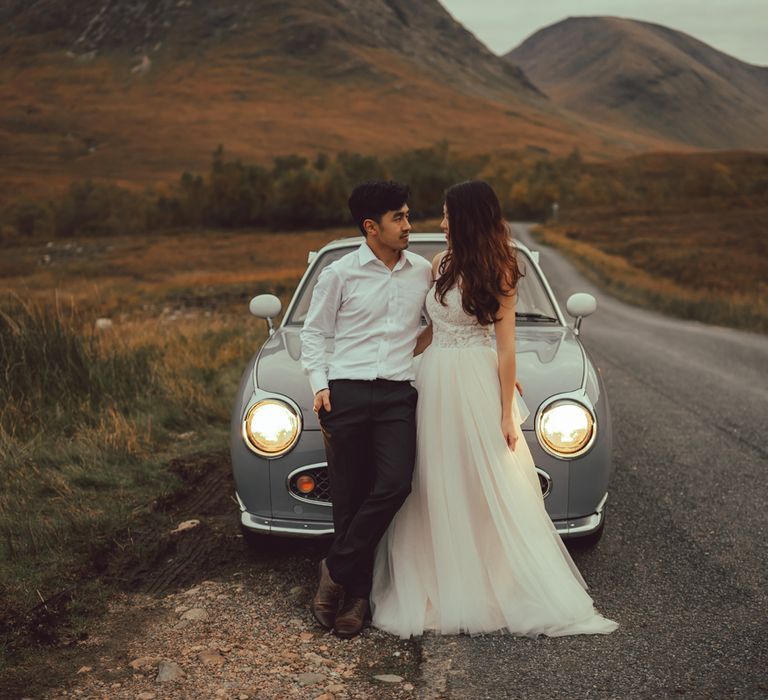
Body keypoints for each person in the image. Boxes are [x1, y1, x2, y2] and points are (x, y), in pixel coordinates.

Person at [369, 180, 619, 639]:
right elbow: (431, 329)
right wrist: (395, 355)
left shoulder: (501, 268)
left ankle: (493, 581)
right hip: (434, 378)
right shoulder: (438, 264)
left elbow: (506, 349)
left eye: (446, 215)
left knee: (487, 477)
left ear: (466, 218)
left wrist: (506, 411)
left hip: (474, 380)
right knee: (434, 476)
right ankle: (440, 575)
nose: (440, 223)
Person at [300, 180, 433, 639]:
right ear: (371, 227)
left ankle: (333, 570)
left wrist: (410, 354)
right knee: (348, 497)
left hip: (398, 392)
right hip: (347, 393)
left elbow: (436, 324)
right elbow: (314, 333)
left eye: (408, 216)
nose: (408, 226)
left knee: (395, 484)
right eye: (399, 218)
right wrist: (319, 384)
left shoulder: (421, 272)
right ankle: (356, 599)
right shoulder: (339, 273)